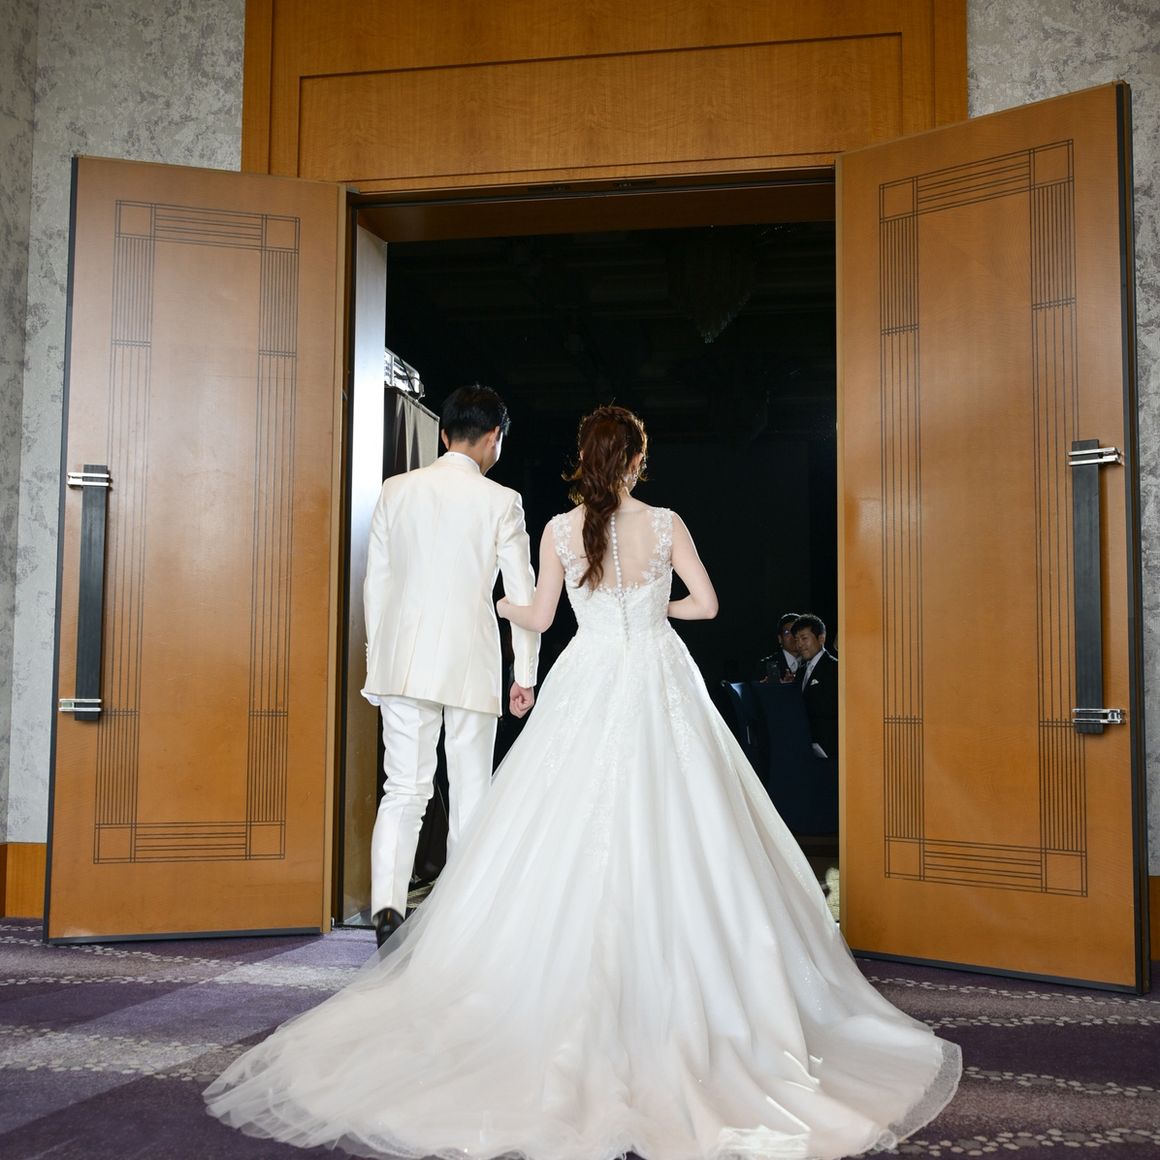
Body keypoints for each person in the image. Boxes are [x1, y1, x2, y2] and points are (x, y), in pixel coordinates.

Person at [205, 405, 960, 1160]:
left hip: (587, 675)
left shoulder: (559, 531)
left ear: (585, 459)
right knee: (688, 819)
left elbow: (537, 615)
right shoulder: (665, 522)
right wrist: (653, 607)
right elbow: (708, 605)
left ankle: (460, 953)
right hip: (656, 673)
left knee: (555, 821)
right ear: (634, 461)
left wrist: (500, 603)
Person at [361, 384, 539, 947]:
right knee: (470, 795)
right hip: (470, 662)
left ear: (443, 434)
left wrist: (377, 661)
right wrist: (525, 673)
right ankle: (462, 925)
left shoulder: (395, 490)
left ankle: (387, 911)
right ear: (494, 437)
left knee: (402, 790)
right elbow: (522, 593)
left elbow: (377, 583)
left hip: (402, 663)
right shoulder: (502, 501)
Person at [793, 613, 839, 760]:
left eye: (804, 638)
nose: (799, 644)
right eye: (796, 640)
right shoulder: (801, 671)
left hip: (829, 750)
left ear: (821, 638)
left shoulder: (835, 668)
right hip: (807, 748)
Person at [761, 612, 802, 682]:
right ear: (780, 638)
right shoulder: (765, 666)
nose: (793, 636)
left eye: (797, 631)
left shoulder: (811, 663)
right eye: (787, 632)